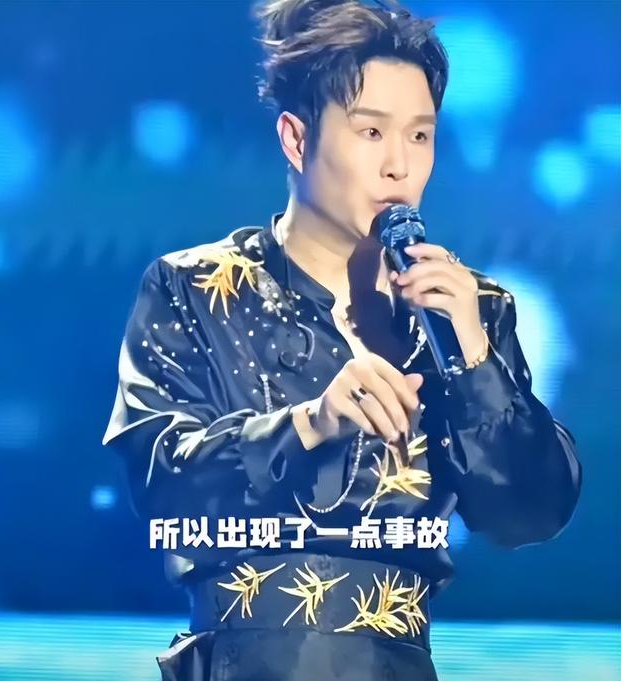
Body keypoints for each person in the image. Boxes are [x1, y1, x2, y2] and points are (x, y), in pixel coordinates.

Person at [102, 1, 582, 679]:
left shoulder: (469, 312)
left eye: (420, 136)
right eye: (371, 132)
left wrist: (475, 363)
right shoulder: (195, 289)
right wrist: (310, 424)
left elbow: (528, 515)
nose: (399, 166)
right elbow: (160, 479)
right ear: (296, 140)